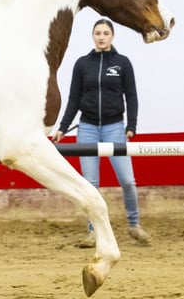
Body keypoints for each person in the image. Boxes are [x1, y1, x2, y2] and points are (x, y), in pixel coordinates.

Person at [53, 18, 151, 248]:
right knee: (90, 184)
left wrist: (131, 126)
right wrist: (62, 128)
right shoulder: (82, 64)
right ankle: (93, 231)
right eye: (97, 32)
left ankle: (134, 225)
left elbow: (132, 96)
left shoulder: (123, 63)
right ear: (93, 36)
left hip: (115, 129)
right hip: (87, 129)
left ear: (112, 36)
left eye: (106, 33)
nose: (101, 36)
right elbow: (74, 99)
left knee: (127, 180)